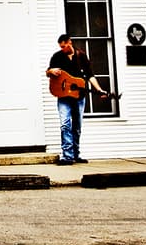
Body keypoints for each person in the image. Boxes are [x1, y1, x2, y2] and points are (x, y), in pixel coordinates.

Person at [45, 33, 107, 165]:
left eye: (64, 46)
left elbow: (90, 75)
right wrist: (51, 71)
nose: (63, 49)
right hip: (63, 97)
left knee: (77, 127)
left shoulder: (81, 56)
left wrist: (99, 89)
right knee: (65, 125)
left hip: (79, 97)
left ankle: (76, 154)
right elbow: (48, 72)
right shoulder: (57, 56)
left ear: (70, 42)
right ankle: (67, 156)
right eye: (61, 47)